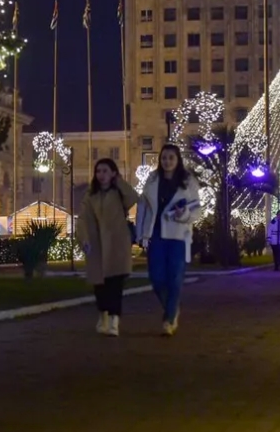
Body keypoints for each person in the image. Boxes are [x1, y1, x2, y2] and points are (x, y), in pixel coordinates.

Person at [136, 144, 201, 336]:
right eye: (164, 157)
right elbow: (143, 208)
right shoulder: (152, 179)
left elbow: (197, 211)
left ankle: (169, 318)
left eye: (171, 158)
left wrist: (184, 213)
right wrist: (140, 233)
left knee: (174, 277)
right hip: (155, 234)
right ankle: (172, 308)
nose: (167, 161)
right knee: (156, 278)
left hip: (178, 235)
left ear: (177, 159)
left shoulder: (188, 181)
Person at [77, 157, 139, 337]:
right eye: (99, 171)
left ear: (113, 173)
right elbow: (82, 218)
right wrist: (84, 239)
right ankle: (103, 314)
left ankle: (114, 320)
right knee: (100, 286)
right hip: (97, 245)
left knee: (115, 285)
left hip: (117, 244)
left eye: (105, 171)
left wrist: (118, 180)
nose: (101, 175)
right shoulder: (90, 195)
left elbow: (133, 197)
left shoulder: (118, 192)